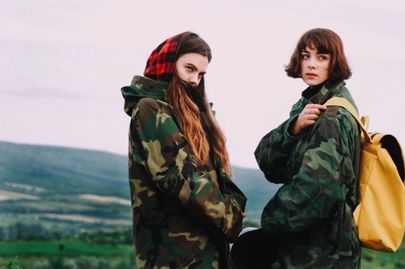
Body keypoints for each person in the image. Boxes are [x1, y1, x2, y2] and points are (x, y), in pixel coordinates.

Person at [121, 31, 246, 269]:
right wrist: (231, 219)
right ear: (168, 65)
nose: (195, 79)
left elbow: (214, 176)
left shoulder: (191, 115)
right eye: (189, 68)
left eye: (201, 74)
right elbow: (184, 178)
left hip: (206, 253)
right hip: (173, 257)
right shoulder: (150, 110)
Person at [254, 28, 361, 268]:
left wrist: (270, 223)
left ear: (336, 62)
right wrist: (293, 128)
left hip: (320, 253)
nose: (311, 64)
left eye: (322, 57)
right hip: (309, 247)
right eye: (305, 55)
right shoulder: (309, 106)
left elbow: (319, 188)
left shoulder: (332, 115)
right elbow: (268, 163)